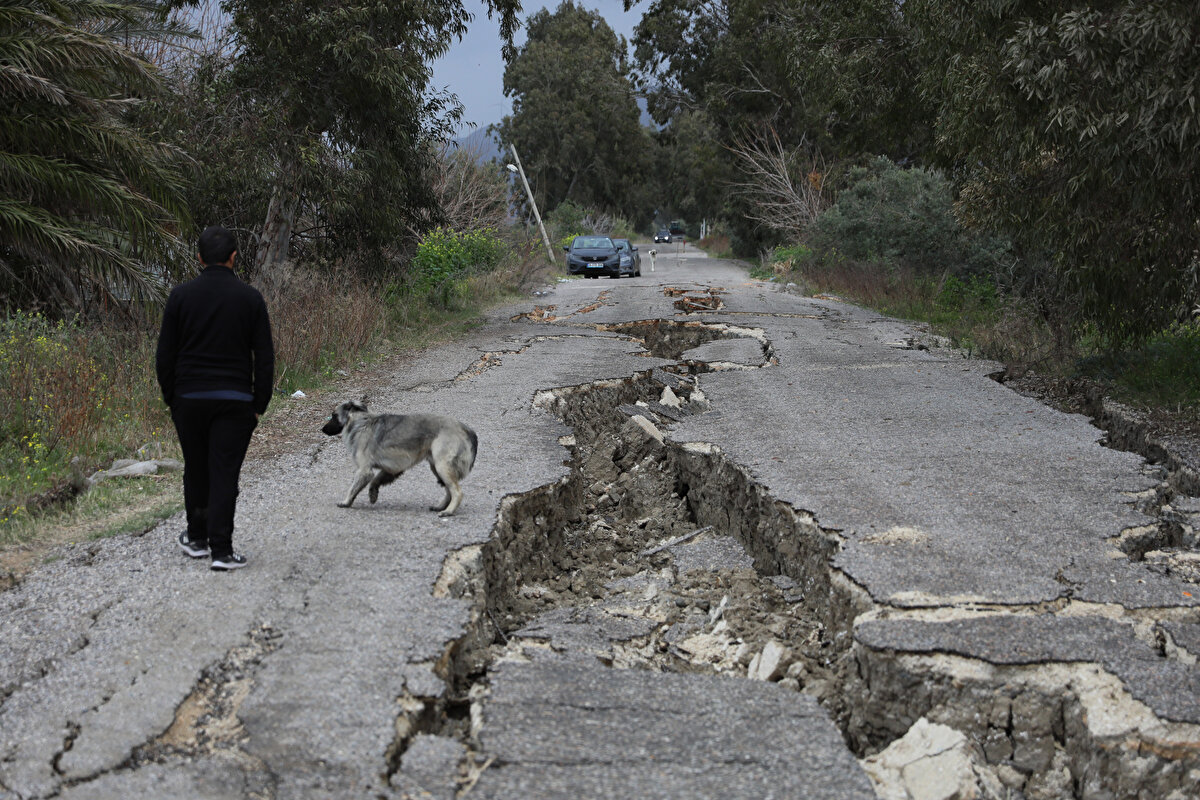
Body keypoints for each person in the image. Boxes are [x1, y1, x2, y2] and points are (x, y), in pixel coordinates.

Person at [156, 226, 275, 571]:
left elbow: (165, 355)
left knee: (196, 469)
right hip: (235, 401)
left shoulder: (180, 296)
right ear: (234, 257)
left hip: (189, 399)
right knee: (223, 473)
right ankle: (221, 551)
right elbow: (263, 358)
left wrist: (172, 399)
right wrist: (258, 405)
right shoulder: (250, 299)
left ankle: (196, 539)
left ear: (199, 258)